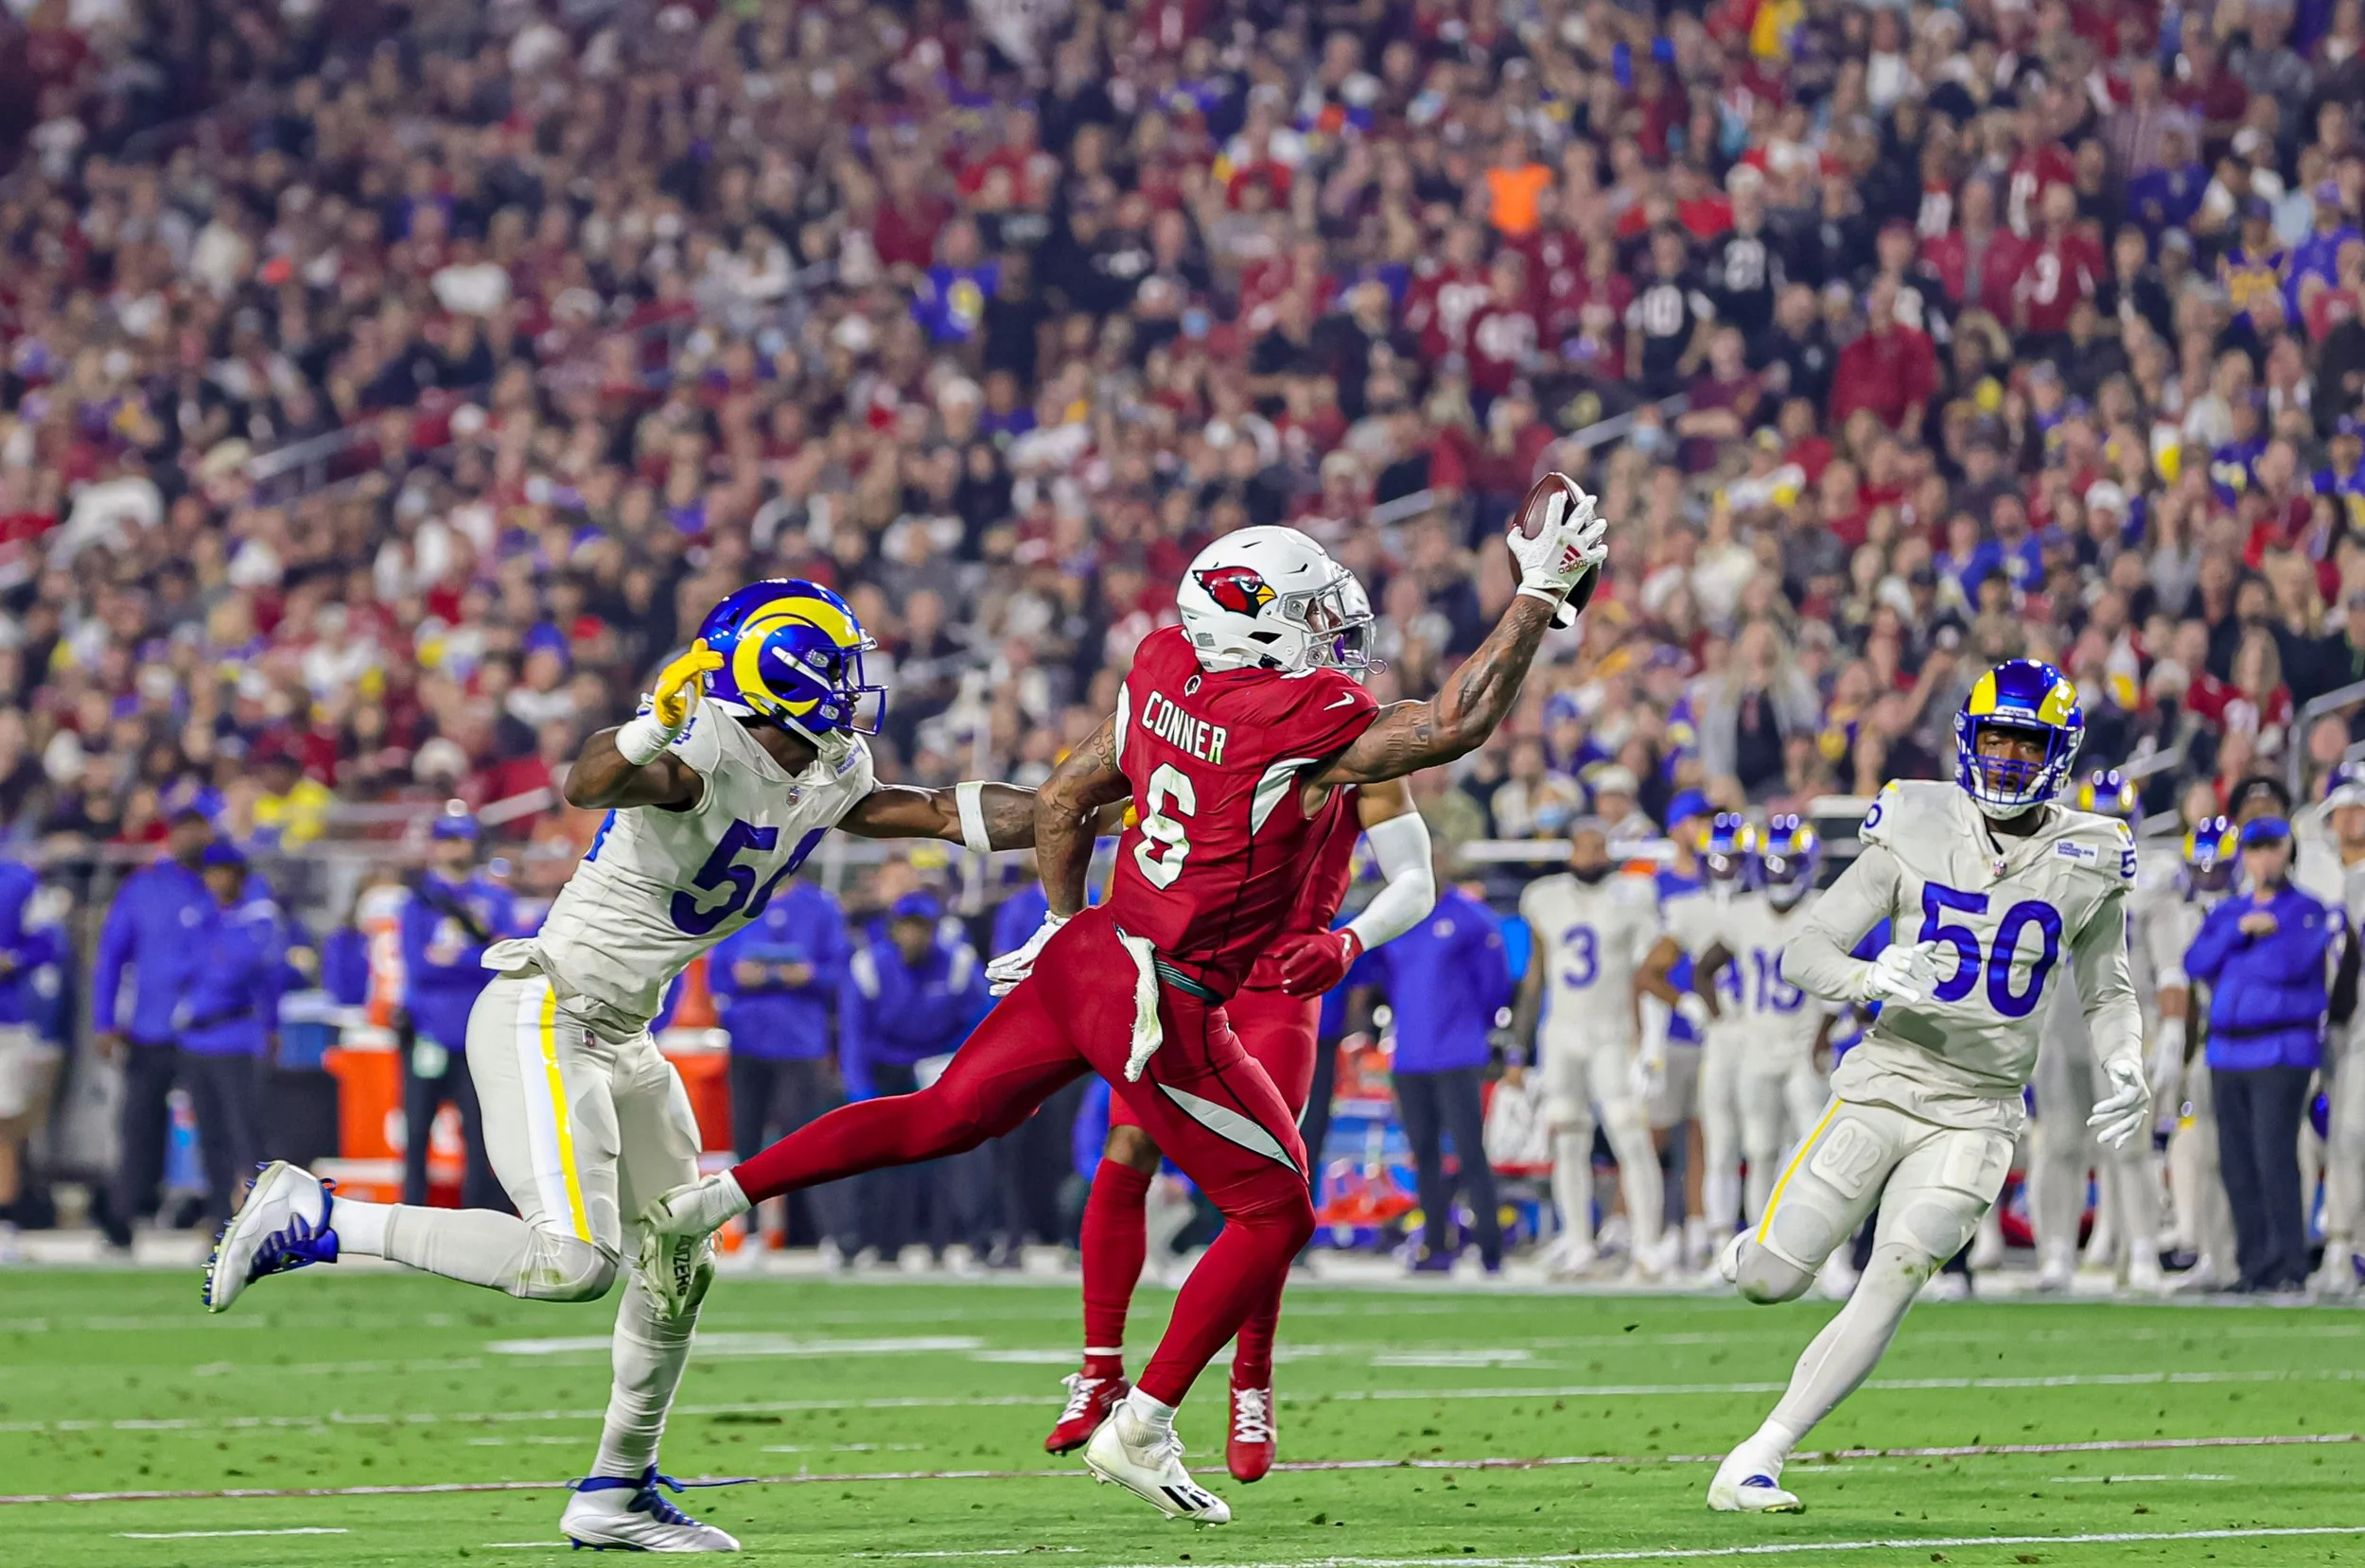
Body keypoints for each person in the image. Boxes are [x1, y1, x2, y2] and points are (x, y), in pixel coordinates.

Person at [639, 493, 1610, 1525]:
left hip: (1095, 950)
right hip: (1169, 995)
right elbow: (1456, 722)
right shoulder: (1298, 716)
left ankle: (703, 1204)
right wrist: (1537, 594)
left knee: (942, 1115)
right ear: (1251, 623)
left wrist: (1062, 919)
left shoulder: (1158, 662)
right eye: (1309, 611)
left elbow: (1063, 800)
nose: (1332, 629)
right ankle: (1141, 1422)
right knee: (1277, 1209)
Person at [201, 579, 1049, 1554]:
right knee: (570, 1262)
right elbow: (592, 781)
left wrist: (1096, 807)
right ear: (779, 673)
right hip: (549, 1009)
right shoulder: (700, 747)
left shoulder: (828, 762)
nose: (853, 688)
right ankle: (318, 1216)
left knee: (679, 1254)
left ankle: (617, 1489)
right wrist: (651, 725)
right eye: (836, 667)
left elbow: (940, 811)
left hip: (624, 1034)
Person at [1708, 659, 2147, 1514]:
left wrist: (2126, 1057)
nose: (2010, 759)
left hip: (1981, 1109)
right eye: (1997, 740)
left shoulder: (2093, 854)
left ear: (2059, 754)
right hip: (1887, 1079)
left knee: (1898, 1270)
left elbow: (2109, 991)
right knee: (1770, 1280)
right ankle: (1748, 1250)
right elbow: (1806, 949)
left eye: (2028, 744)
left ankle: (1760, 1454)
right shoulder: (1913, 817)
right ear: (1968, 739)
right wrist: (1869, 976)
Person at [1042, 757, 1435, 1483]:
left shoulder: (1358, 741)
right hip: (1175, 970)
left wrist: (1349, 939)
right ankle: (1100, 1369)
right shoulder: (1195, 717)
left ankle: (1251, 1378)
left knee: (1267, 1189)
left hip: (1277, 980)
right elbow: (1126, 833)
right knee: (1127, 1146)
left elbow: (1416, 878)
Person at [1514, 818, 1678, 1280]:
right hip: (1561, 1034)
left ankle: (1647, 1245)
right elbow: (1536, 974)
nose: (1592, 855)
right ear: (1570, 851)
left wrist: (1651, 1044)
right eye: (1584, 847)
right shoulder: (1544, 898)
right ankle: (1577, 1243)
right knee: (1567, 1140)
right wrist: (1518, 1047)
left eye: (1599, 847)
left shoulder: (1632, 896)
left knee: (1630, 1135)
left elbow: (1649, 975)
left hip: (1612, 1033)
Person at [2182, 814, 2338, 1295]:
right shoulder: (2231, 913)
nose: (2264, 858)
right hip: (2226, 1052)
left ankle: (2289, 1264)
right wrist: (2241, 933)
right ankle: (2253, 1265)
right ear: (2244, 857)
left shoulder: (2307, 910)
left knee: (2274, 1157)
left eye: (2272, 847)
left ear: (2287, 852)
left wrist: (2239, 951)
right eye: (2255, 849)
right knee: (2236, 1163)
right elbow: (2195, 961)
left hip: (2280, 1049)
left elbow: (2289, 965)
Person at [2029, 770, 2163, 1293]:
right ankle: (2057, 1253)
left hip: (2121, 1023)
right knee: (2059, 1141)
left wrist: (2170, 1028)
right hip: (2060, 1022)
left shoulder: (2152, 881)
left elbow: (2168, 965)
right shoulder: (2050, 874)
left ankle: (2143, 1249)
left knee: (2129, 1143)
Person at [1368, 839, 1511, 1276]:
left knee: (1470, 1151)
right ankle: (1434, 1243)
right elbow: (1385, 978)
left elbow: (1495, 985)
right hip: (1410, 1053)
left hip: (1457, 1052)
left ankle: (1489, 1246)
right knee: (1423, 1153)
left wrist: (1473, 1027)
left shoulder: (1470, 918)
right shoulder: (1397, 917)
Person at [1692, 815, 1830, 1234]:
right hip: (1757, 1047)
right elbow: (1704, 968)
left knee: (1814, 1152)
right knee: (1760, 1150)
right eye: (1773, 865)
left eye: (1788, 865)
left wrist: (1828, 1030)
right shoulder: (1744, 913)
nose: (1780, 874)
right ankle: (1758, 1242)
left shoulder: (1821, 910)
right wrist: (1719, 1016)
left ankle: (1824, 1250)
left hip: (1803, 1044)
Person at [840, 890, 992, 1265]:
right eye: (907, 927)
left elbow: (982, 1023)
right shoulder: (869, 966)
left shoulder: (958, 964)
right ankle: (865, 1242)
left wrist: (962, 1072)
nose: (914, 936)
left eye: (922, 927)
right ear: (894, 929)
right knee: (868, 1146)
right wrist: (861, 1092)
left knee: (967, 1149)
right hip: (886, 1067)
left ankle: (975, 1241)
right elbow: (854, 1035)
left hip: (941, 1064)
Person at [92, 807, 219, 1249]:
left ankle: (221, 1216)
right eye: (184, 830)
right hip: (151, 1027)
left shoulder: (222, 883)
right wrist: (105, 1020)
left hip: (209, 1028)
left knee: (217, 1127)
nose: (191, 838)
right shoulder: (143, 887)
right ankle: (123, 1216)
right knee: (139, 1126)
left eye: (198, 829)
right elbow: (112, 955)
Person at [708, 868, 851, 1255]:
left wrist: (807, 974)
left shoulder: (820, 907)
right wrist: (739, 976)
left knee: (808, 1140)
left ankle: (830, 1235)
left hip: (800, 1043)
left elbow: (838, 971)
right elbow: (716, 974)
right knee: (747, 1140)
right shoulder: (739, 902)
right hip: (748, 1039)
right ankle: (753, 1233)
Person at [396, 805, 519, 1210]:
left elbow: (503, 963)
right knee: (416, 1134)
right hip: (428, 1032)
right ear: (435, 845)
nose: (455, 848)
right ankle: (411, 1219)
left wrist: (453, 960)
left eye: (461, 839)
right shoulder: (417, 903)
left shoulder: (495, 899)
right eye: (447, 840)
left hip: (478, 1035)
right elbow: (418, 968)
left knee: (482, 1138)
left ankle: (478, 1221)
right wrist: (477, 956)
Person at [175, 842, 295, 1236]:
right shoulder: (198, 914)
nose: (218, 880)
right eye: (212, 872)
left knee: (247, 1134)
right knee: (210, 1137)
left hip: (237, 1037)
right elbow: (180, 967)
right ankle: (217, 1218)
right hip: (197, 1039)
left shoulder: (257, 915)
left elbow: (242, 969)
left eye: (225, 871)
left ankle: (264, 1216)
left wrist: (270, 1029)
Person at [2150, 816, 2241, 1291]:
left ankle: (2239, 1253)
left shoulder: (2248, 909)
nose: (2209, 879)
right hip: (2200, 1048)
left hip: (2239, 1043)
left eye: (2217, 869)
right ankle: (2204, 1247)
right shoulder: (2177, 914)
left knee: (2236, 1156)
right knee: (2195, 1148)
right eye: (2201, 870)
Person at [2312, 770, 2365, 1295]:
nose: (2352, 818)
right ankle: (2339, 1245)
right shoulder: (2317, 871)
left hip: (2357, 1026)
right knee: (2328, 1139)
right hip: (2322, 1027)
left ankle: (2346, 1245)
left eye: (2360, 808)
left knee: (2352, 1134)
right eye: (2344, 809)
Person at [0, 853, 63, 1256]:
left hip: (4, 1020)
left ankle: (4, 1220)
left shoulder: (18, 880)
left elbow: (49, 942)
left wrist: (12, 959)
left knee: (2, 1124)